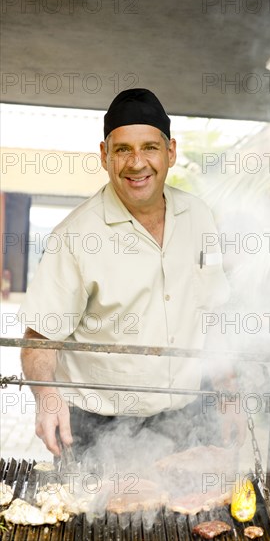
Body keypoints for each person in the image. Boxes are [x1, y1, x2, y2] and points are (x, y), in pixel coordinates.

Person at [18, 88, 245, 459]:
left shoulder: (199, 216)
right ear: (105, 155)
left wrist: (229, 392)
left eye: (150, 148)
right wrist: (47, 397)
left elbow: (212, 313)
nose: (137, 163)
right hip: (99, 430)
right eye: (123, 149)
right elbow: (40, 336)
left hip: (187, 422)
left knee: (194, 516)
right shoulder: (74, 236)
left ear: (170, 152)